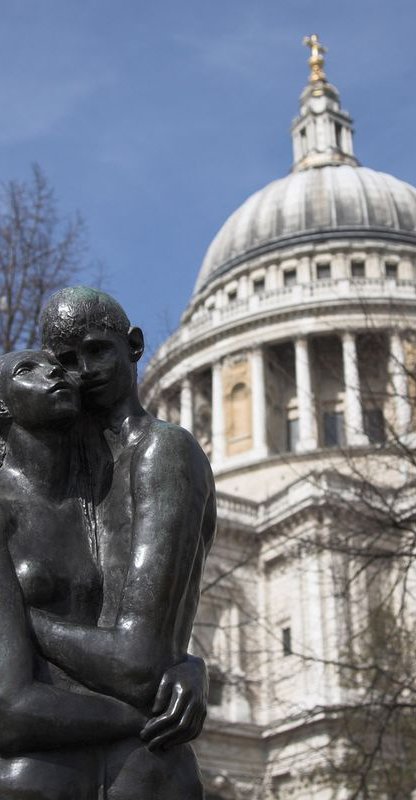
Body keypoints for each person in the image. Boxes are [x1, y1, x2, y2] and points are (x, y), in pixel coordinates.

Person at [32, 286, 216, 796]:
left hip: (130, 767)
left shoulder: (163, 453)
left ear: (134, 345)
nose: (84, 371)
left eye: (97, 350)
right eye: (66, 360)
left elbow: (139, 662)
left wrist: (17, 621)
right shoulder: (45, 472)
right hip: (48, 760)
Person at [0, 349, 147, 797]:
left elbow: (138, 638)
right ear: (1, 407)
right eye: (28, 370)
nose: (53, 373)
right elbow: (7, 707)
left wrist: (186, 669)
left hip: (115, 767)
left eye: (57, 367)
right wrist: (145, 714)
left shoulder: (107, 506)